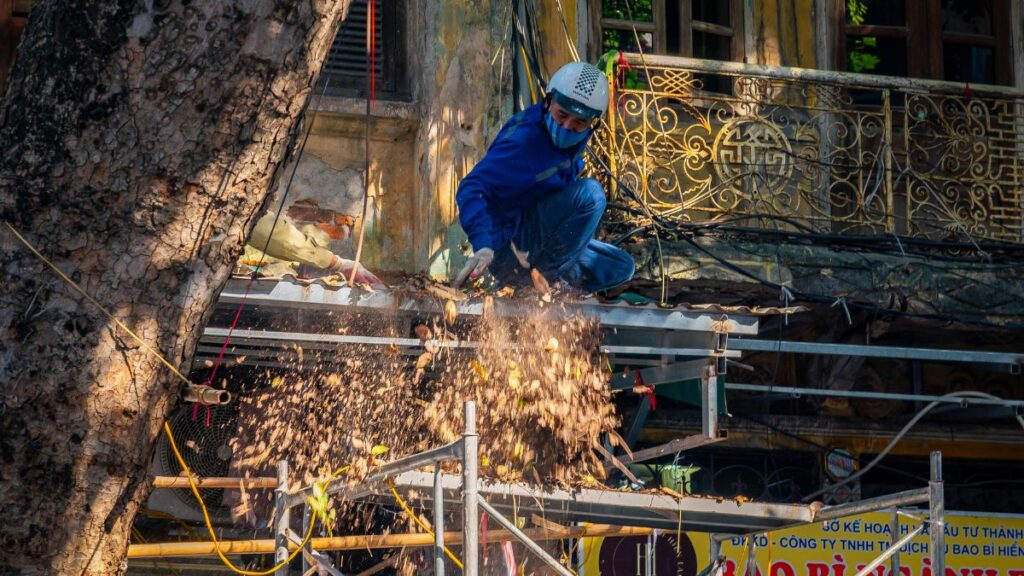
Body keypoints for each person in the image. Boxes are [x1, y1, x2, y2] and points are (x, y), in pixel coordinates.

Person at [452, 61, 635, 293]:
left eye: (579, 122)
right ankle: (537, 286)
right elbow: (472, 187)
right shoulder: (523, 141)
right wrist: (483, 245)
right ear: (548, 102)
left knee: (621, 266)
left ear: (593, 124)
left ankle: (549, 283)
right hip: (510, 247)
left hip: (539, 244)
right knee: (592, 196)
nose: (567, 127)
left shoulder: (574, 144)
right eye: (562, 115)